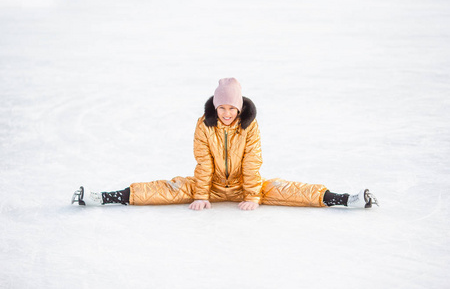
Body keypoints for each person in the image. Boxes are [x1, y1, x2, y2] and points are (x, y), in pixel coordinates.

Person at [71, 78, 379, 210]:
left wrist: (252, 195)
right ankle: (105, 197)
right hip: (212, 185)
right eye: (223, 108)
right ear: (216, 108)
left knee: (287, 188)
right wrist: (202, 194)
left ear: (241, 107)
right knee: (170, 187)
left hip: (250, 185)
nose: (228, 113)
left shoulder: (251, 126)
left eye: (233, 108)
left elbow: (252, 162)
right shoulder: (204, 125)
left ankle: (343, 199)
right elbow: (203, 162)